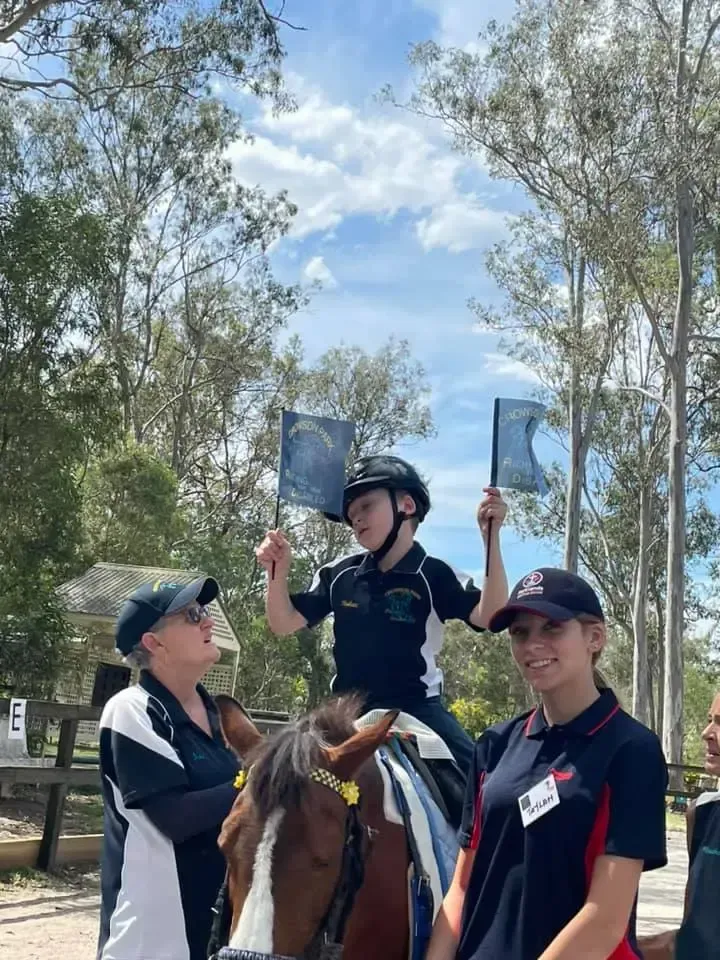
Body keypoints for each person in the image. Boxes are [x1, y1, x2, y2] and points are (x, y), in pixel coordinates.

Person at [427, 567, 669, 960]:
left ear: (595, 637)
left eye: (551, 627)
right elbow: (461, 888)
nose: (532, 644)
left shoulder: (630, 750)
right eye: (520, 632)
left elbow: (605, 919)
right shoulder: (494, 745)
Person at [255, 454, 509, 772]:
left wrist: (491, 537)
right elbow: (282, 623)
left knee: (483, 779)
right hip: (344, 714)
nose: (355, 518)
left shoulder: (436, 574)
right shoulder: (338, 574)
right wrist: (275, 572)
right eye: (350, 514)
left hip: (417, 713)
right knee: (276, 773)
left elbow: (492, 615)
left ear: (406, 504)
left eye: (365, 507)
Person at [97, 576, 240, 960]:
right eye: (193, 615)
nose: (208, 622)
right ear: (153, 643)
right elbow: (175, 817)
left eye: (205, 612)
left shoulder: (220, 715)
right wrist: (257, 781)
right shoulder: (131, 710)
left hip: (215, 936)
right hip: (150, 942)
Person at [638, 690, 720, 959]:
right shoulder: (702, 814)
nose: (707, 732)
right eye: (710, 719)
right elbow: (693, 939)